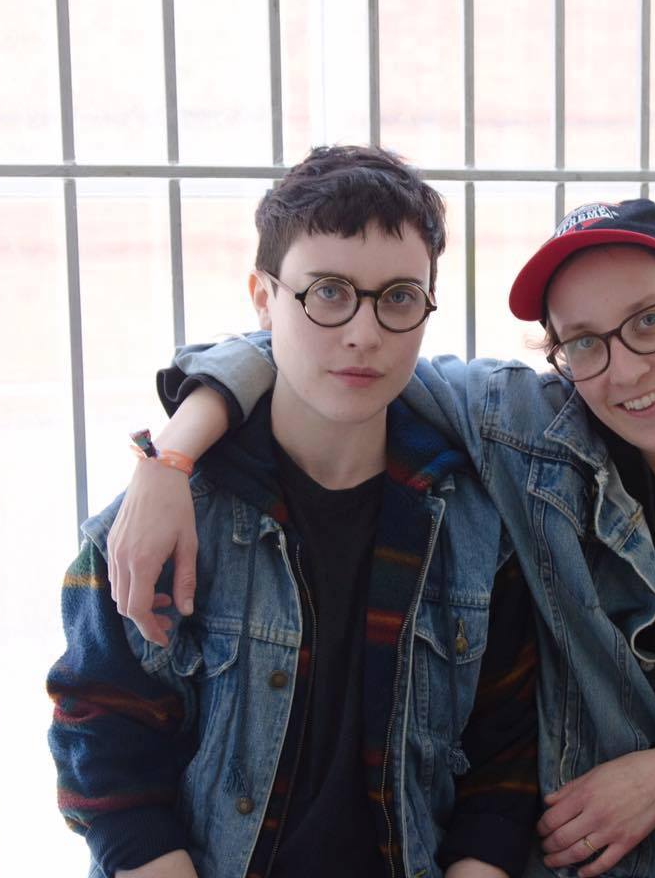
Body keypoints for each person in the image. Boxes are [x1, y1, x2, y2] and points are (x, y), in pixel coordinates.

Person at [105, 197, 655, 877]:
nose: (624, 370)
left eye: (649, 321)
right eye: (583, 343)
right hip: (593, 856)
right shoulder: (523, 432)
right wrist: (170, 461)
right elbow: (314, 349)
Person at [47, 145, 539, 878]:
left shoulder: (476, 527)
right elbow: (104, 742)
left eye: (398, 297)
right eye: (328, 293)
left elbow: (506, 765)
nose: (364, 333)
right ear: (262, 297)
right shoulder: (165, 517)